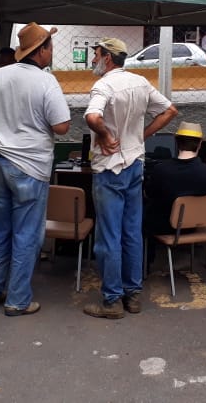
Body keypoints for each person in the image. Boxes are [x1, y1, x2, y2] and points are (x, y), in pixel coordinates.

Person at [0, 22, 71, 316]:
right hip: (30, 167)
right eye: (49, 46)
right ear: (41, 51)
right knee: (26, 233)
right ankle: (17, 300)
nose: (51, 51)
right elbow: (61, 126)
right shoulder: (46, 81)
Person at [82, 38, 178, 319]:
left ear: (108, 58)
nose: (93, 61)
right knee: (131, 232)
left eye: (96, 55)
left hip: (109, 168)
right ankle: (132, 295)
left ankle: (112, 301)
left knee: (109, 236)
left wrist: (106, 135)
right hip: (135, 164)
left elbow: (92, 117)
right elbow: (170, 111)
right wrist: (141, 137)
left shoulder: (103, 86)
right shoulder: (140, 83)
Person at [143, 122, 206, 261]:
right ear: (200, 144)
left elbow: (148, 194)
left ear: (176, 142)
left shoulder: (161, 170)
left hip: (163, 227)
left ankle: (145, 264)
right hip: (194, 227)